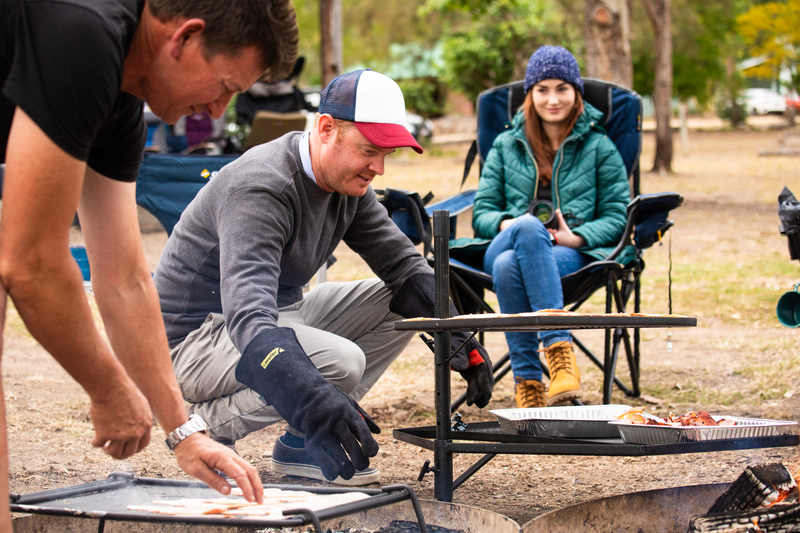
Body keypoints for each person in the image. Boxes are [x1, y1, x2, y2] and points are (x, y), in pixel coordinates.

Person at [0, 0, 299, 526]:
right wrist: (109, 388)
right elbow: (31, 265)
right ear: (184, 38)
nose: (219, 112)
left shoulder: (121, 100)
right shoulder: (84, 32)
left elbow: (126, 281)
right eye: (225, 84)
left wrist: (184, 432)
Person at [153, 69, 494, 486]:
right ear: (327, 128)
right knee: (340, 362)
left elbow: (404, 269)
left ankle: (300, 445)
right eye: (370, 149)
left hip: (273, 317)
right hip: (197, 338)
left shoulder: (347, 183)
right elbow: (248, 314)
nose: (379, 169)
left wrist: (458, 337)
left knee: (400, 301)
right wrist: (313, 394)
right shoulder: (262, 186)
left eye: (387, 153)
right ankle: (207, 427)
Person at [468, 45, 631, 408]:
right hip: (504, 240)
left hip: (569, 252)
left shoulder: (600, 148)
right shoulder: (505, 145)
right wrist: (512, 222)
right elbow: (482, 216)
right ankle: (560, 355)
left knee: (509, 267)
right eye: (542, 89)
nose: (552, 99)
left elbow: (618, 215)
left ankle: (529, 384)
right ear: (530, 94)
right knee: (526, 230)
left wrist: (577, 236)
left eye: (562, 88)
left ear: (576, 94)